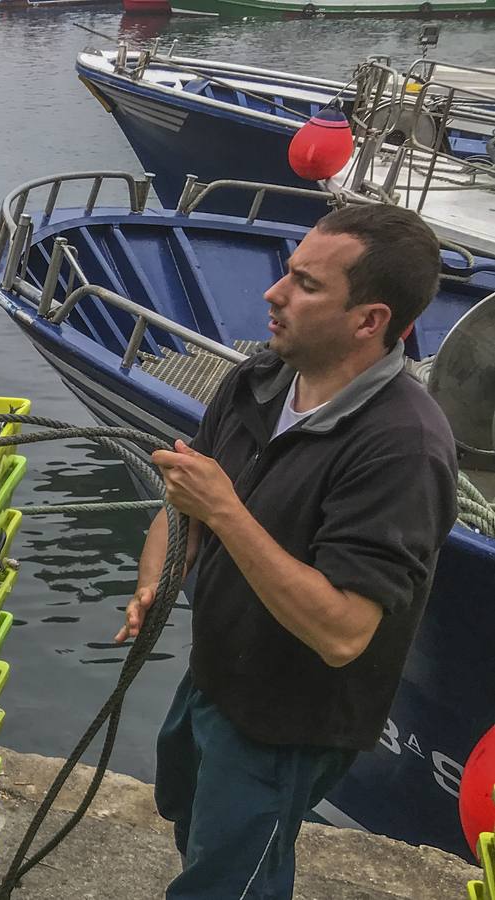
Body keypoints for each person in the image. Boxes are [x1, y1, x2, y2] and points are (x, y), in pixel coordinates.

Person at [116, 203, 459, 899]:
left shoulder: (402, 446)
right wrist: (156, 582)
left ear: (369, 321)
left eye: (305, 285)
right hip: (215, 676)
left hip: (289, 722)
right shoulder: (258, 379)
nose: (272, 294)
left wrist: (224, 509)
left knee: (225, 884)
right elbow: (185, 506)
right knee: (192, 824)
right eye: (285, 274)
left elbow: (342, 633)